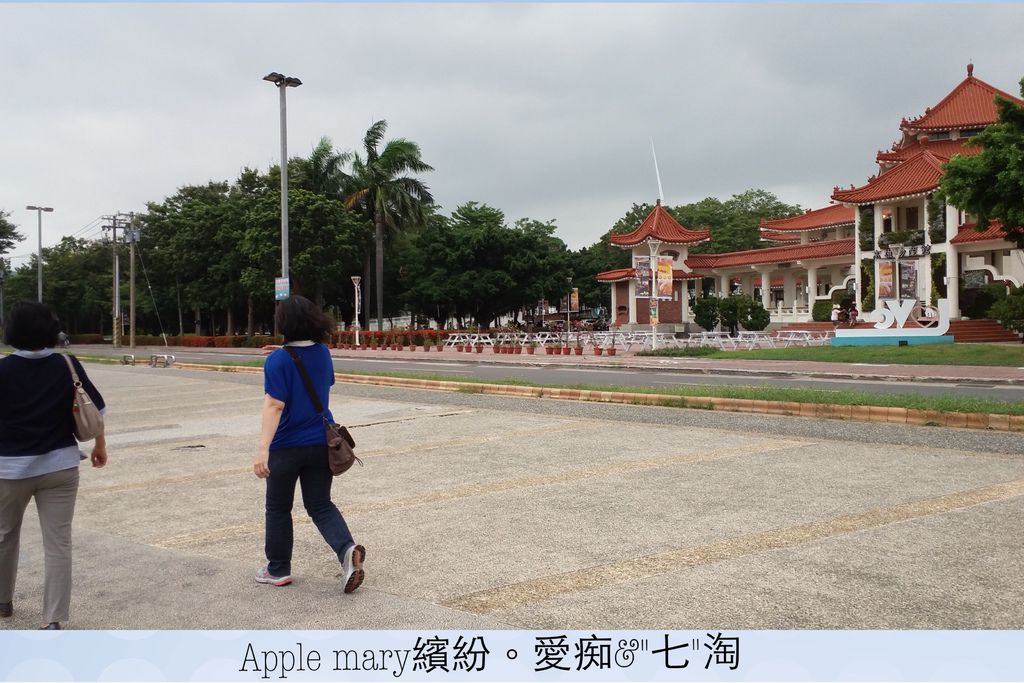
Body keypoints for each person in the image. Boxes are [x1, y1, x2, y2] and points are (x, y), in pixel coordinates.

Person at [0, 301, 107, 630]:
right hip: (60, 468)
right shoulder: (67, 364)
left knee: (4, 536)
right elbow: (96, 411)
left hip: (9, 471)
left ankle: (3, 601)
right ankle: (54, 619)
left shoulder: (2, 370)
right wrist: (100, 446)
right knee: (58, 542)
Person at [253, 295, 365, 593]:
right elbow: (317, 378)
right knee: (320, 504)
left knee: (278, 508)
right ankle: (347, 550)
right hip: (320, 444)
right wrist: (285, 355)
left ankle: (278, 569)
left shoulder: (277, 361)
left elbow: (275, 405)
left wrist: (262, 449)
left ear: (283, 323)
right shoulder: (323, 354)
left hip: (285, 447)